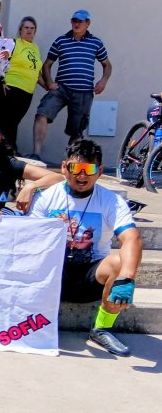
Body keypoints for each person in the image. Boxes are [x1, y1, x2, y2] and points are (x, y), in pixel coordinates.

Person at [31, 139, 144, 356]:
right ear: (65, 167)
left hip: (90, 277)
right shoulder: (46, 197)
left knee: (119, 263)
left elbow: (133, 239)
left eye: (89, 169)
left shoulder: (111, 201)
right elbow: (28, 240)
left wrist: (126, 279)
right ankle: (40, 320)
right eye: (76, 168)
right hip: (53, 276)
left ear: (100, 171)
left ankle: (101, 328)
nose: (82, 176)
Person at [30, 10, 112, 160]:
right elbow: (47, 64)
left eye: (80, 21)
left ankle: (70, 162)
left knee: (77, 130)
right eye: (74, 20)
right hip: (61, 89)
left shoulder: (96, 43)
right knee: (42, 114)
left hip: (84, 92)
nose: (76, 24)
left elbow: (107, 65)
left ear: (88, 23)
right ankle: (36, 154)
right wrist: (49, 83)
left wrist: (103, 81)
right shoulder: (61, 41)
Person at [0, 16, 43, 154]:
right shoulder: (13, 43)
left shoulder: (35, 48)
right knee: (8, 120)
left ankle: (9, 149)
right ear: (20, 29)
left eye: (32, 28)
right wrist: (1, 81)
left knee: (15, 121)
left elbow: (35, 70)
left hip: (27, 91)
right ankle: (8, 150)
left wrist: (48, 86)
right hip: (13, 87)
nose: (29, 30)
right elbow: (0, 61)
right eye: (26, 27)